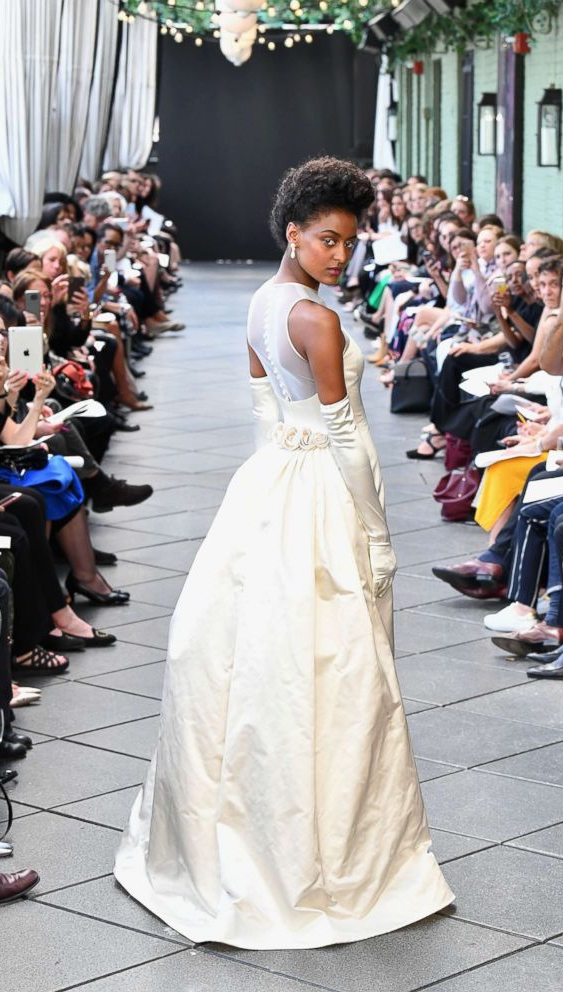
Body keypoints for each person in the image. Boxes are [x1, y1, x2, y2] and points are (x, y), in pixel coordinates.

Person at [114, 156, 453, 948]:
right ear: (293, 232)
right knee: (330, 676)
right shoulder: (317, 320)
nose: (340, 257)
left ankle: (239, 837)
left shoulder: (264, 304)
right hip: (322, 499)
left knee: (251, 667)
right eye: (327, 240)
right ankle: (321, 859)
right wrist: (373, 536)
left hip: (266, 490)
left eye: (349, 243)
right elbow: (349, 439)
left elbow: (268, 413)